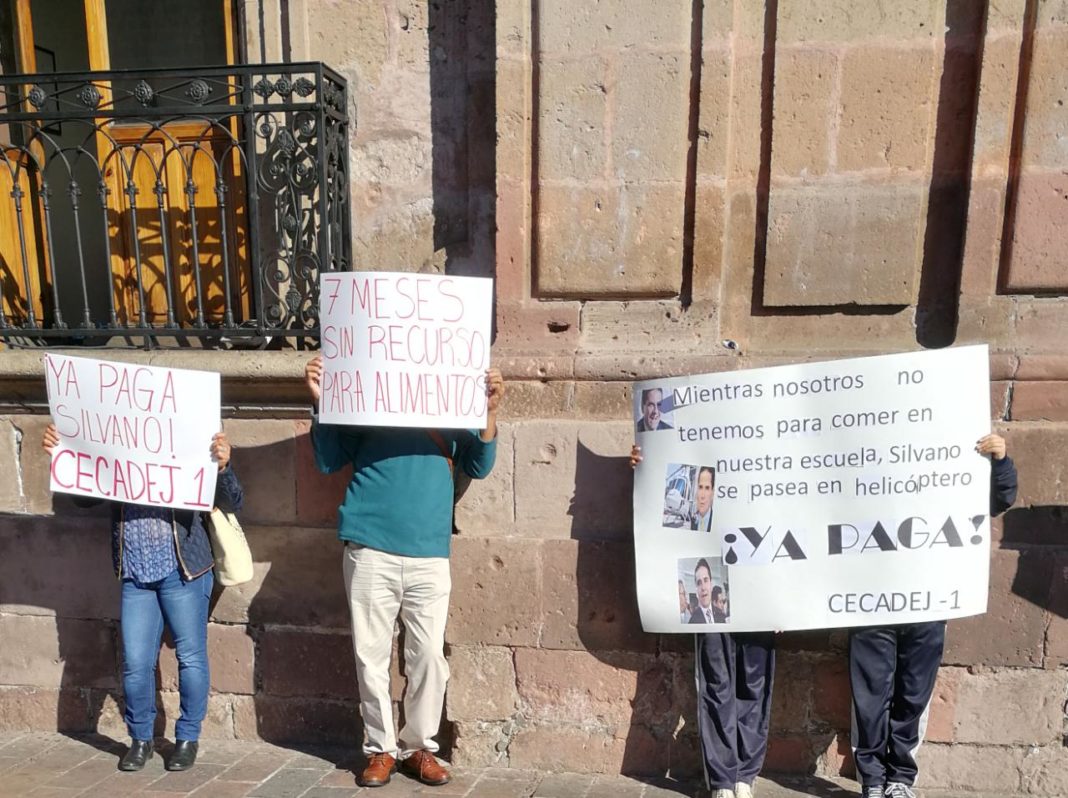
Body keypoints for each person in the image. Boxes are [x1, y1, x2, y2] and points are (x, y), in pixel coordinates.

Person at [304, 355, 504, 788]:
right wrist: (322, 403)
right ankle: (381, 749)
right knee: (370, 656)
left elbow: (478, 465)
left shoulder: (450, 394)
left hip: (429, 549)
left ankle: (418, 747)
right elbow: (326, 459)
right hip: (369, 543)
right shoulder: (366, 389)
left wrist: (489, 410)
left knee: (429, 655)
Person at [41, 423, 242, 773]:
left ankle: (187, 738)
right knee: (135, 663)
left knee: (191, 656)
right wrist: (65, 455)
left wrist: (223, 466)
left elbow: (232, 499)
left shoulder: (188, 441)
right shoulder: (117, 445)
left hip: (183, 570)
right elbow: (84, 496)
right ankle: (140, 739)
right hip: (136, 572)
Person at [850, 433, 1018, 798]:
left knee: (914, 692)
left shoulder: (949, 456)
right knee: (870, 695)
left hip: (929, 600)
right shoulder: (862, 455)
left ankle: (899, 778)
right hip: (871, 600)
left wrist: (1000, 462)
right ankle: (872, 780)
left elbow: (997, 500)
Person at [634, 444, 773, 798]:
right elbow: (663, 505)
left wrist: (786, 597)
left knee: (754, 682)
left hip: (763, 582)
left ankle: (745, 773)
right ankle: (724, 779)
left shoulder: (773, 447)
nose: (703, 492)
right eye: (701, 486)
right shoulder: (706, 439)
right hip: (714, 575)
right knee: (716, 681)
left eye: (708, 487)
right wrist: (647, 466)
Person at [691, 466, 715, 531]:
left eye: (707, 488)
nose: (702, 496)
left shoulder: (716, 522)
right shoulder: (692, 520)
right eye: (700, 487)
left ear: (712, 492)